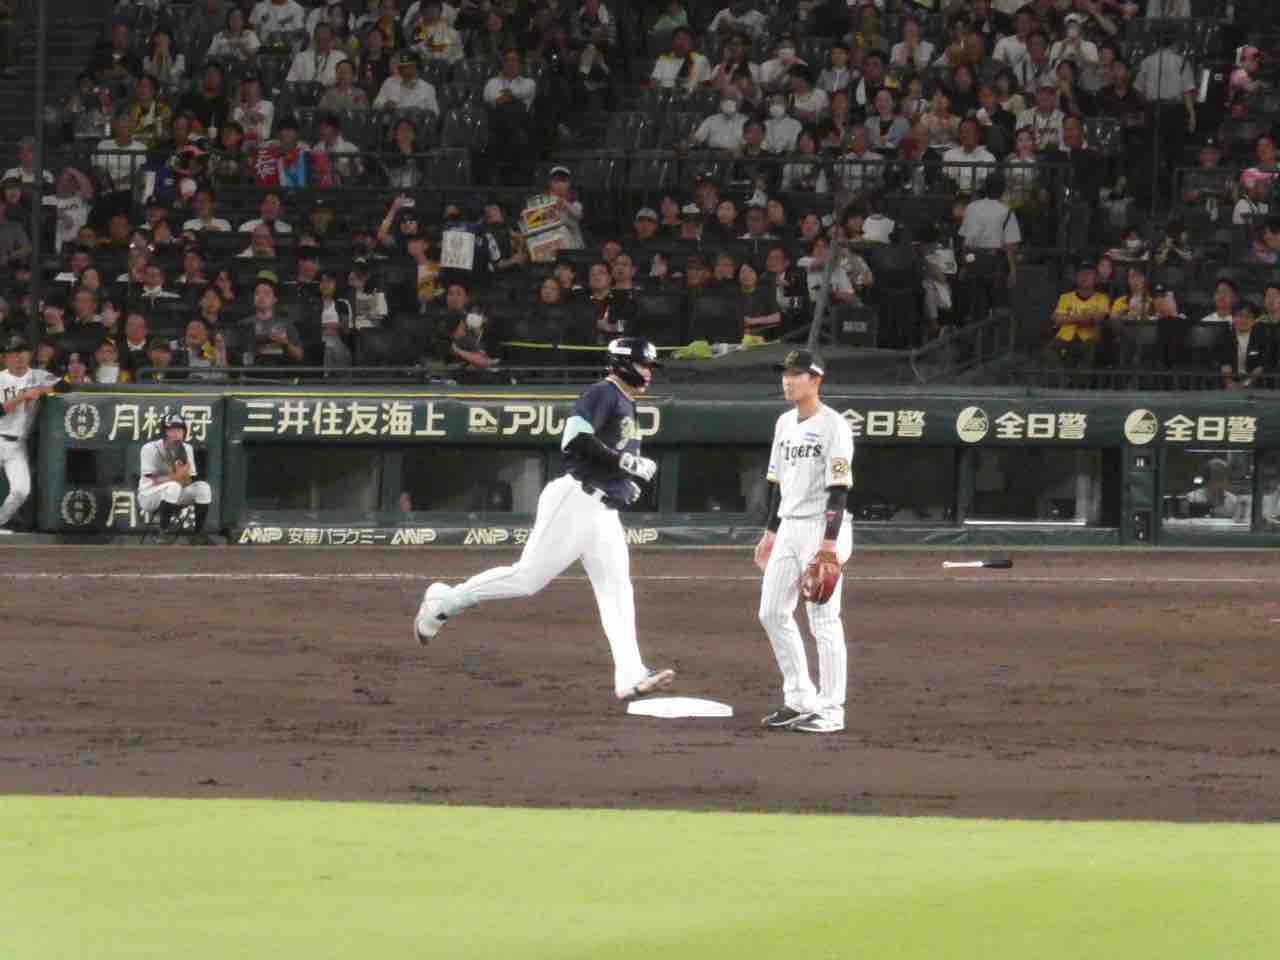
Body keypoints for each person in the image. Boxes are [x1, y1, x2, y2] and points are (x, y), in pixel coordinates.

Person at [413, 338, 677, 704]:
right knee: (527, 578)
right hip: (575, 500)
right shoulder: (603, 392)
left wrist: (622, 483)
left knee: (617, 592)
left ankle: (630, 675)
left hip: (603, 512)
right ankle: (445, 602)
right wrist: (624, 463)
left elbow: (606, 456)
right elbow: (574, 440)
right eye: (643, 365)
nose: (648, 373)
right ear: (623, 364)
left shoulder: (626, 401)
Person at [753, 349, 853, 734]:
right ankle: (799, 699)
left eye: (796, 374)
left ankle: (831, 709)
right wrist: (770, 532)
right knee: (771, 612)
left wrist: (829, 545)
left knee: (823, 620)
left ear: (816, 380)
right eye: (785, 373)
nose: (787, 380)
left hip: (821, 527)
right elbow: (776, 483)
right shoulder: (783, 423)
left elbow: (839, 489)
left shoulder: (834, 426)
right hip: (789, 527)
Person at [0, 336, 60, 534]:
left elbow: (65, 386)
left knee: (21, 490)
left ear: (30, 355)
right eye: (14, 353)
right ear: (5, 358)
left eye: (23, 352)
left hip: (18, 445)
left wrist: (42, 389)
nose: (19, 357)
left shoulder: (38, 375)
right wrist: (23, 396)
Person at [137, 413, 214, 542]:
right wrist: (177, 476)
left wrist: (185, 477)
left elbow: (188, 480)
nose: (176, 433)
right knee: (173, 486)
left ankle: (198, 534)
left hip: (175, 494)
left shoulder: (187, 448)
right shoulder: (150, 448)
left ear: (184, 432)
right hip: (150, 495)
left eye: (179, 430)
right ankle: (162, 533)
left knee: (203, 488)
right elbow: (155, 479)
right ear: (164, 432)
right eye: (171, 430)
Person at [1046, 261, 1109, 367]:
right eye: (1081, 274)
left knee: (1090, 351)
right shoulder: (1065, 297)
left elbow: (1099, 318)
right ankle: (1062, 377)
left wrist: (1069, 318)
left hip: (1089, 339)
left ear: (1096, 278)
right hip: (1065, 337)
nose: (1084, 277)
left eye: (1089, 274)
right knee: (1048, 352)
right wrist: (1085, 317)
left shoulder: (1102, 298)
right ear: (1076, 277)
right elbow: (1057, 319)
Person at [1219, 299, 1269, 390]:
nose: (1243, 320)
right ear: (1233, 318)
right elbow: (1224, 363)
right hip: (1229, 385)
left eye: (1248, 317)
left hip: (1254, 384)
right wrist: (1230, 383)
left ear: (1254, 320)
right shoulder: (1225, 337)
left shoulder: (1262, 338)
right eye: (1239, 315)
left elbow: (1260, 366)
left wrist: (1245, 384)